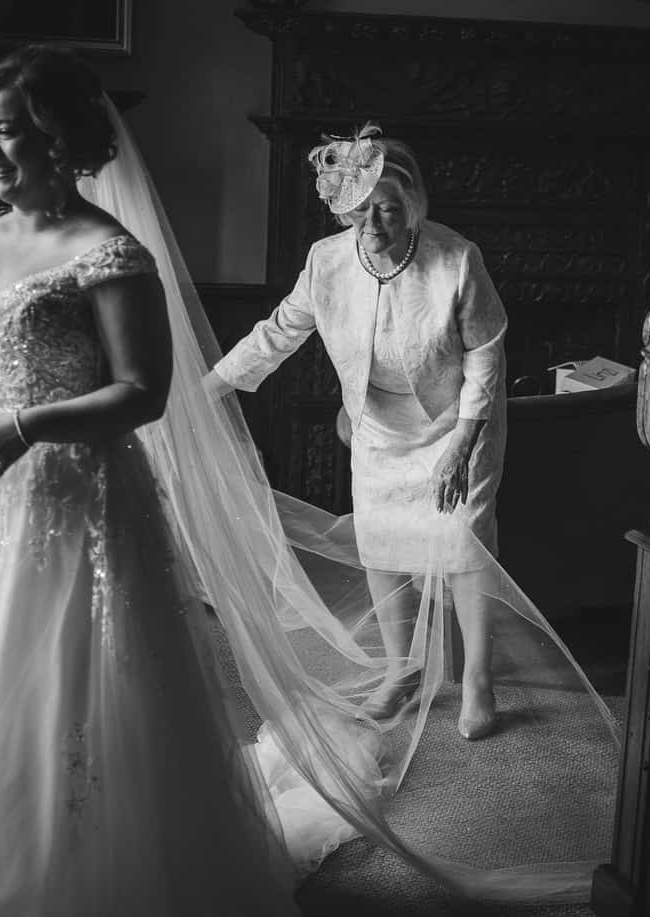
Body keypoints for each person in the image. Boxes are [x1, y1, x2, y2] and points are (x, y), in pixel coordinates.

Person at [0, 44, 345, 917]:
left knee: (66, 702)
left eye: (10, 133)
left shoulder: (109, 252)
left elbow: (141, 392)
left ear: (60, 139)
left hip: (77, 503)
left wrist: (28, 424)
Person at [205, 127, 509, 741]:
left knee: (464, 539)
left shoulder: (457, 258)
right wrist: (211, 386)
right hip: (378, 423)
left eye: (390, 210)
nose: (374, 224)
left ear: (413, 206)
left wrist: (461, 444)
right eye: (362, 211)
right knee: (382, 540)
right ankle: (400, 671)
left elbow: (486, 354)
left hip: (458, 420)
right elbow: (279, 331)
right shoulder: (326, 261)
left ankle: (478, 678)